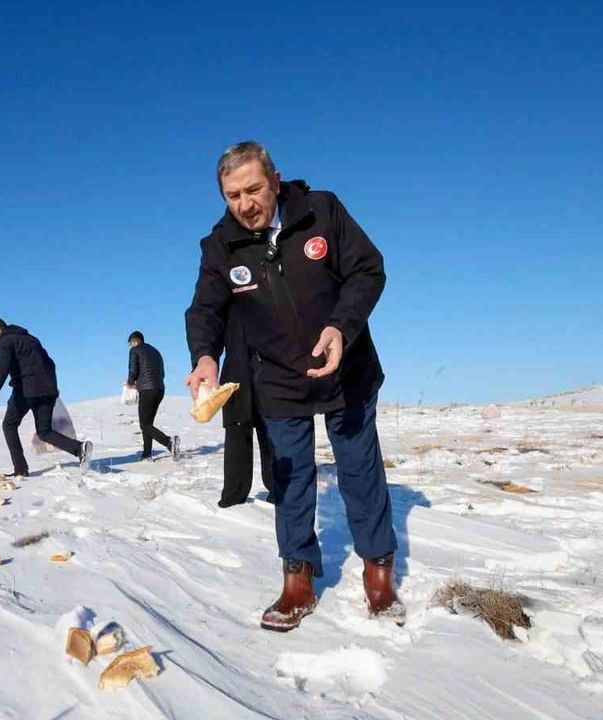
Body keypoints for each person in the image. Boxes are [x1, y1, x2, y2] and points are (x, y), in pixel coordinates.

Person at [184, 141, 402, 632]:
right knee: (290, 480)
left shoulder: (321, 210)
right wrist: (204, 356)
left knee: (359, 471)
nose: (246, 204)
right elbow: (205, 309)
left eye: (254, 189)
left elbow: (368, 269)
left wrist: (341, 326)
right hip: (279, 377)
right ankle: (297, 579)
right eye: (233, 195)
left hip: (345, 365)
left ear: (276, 181)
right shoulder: (220, 245)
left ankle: (378, 570)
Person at [0, 318, 92, 475]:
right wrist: (51, 388)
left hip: (26, 390)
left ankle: (20, 469)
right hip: (47, 391)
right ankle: (79, 448)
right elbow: (51, 363)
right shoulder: (32, 340)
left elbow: (2, 365)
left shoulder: (6, 340)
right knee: (44, 432)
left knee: (9, 425)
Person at [218, 316, 274, 507]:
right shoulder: (223, 300)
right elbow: (205, 321)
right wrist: (203, 357)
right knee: (237, 432)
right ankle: (234, 494)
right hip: (236, 370)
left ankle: (279, 488)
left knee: (272, 429)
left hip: (271, 368)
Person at [125, 331, 180, 461]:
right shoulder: (156, 352)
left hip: (147, 390)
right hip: (159, 389)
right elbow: (162, 373)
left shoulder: (135, 350)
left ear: (134, 341)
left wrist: (130, 382)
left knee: (145, 425)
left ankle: (169, 442)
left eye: (130, 343)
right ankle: (146, 453)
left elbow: (133, 370)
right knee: (148, 424)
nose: (131, 345)